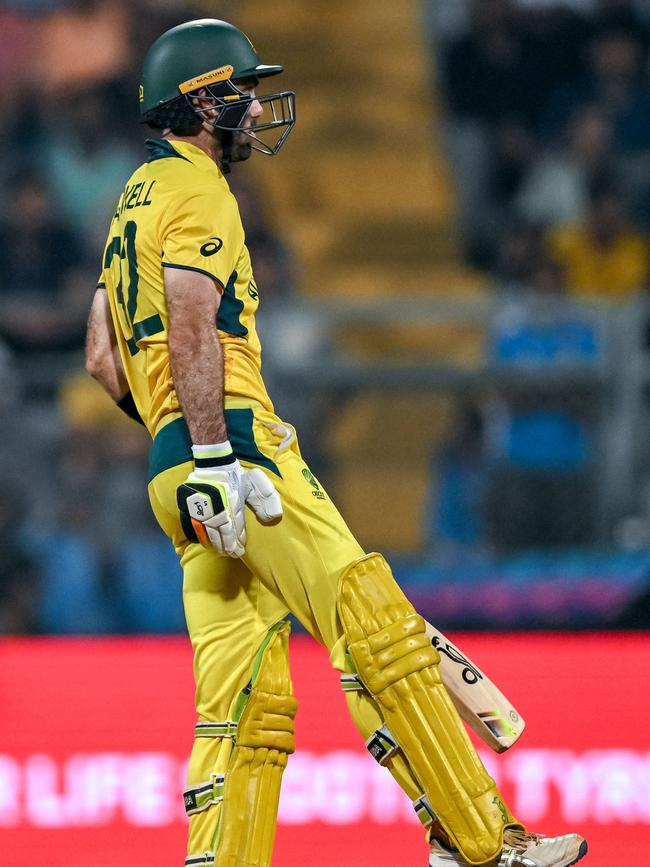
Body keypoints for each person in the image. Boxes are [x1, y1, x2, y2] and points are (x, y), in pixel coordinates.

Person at [85, 18, 588, 867]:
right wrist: (218, 454)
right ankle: (478, 843)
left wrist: (180, 447)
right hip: (237, 454)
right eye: (239, 92)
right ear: (202, 101)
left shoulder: (129, 205)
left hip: (173, 470)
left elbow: (104, 360)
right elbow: (190, 323)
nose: (252, 108)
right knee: (374, 623)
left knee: (242, 703)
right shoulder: (202, 190)